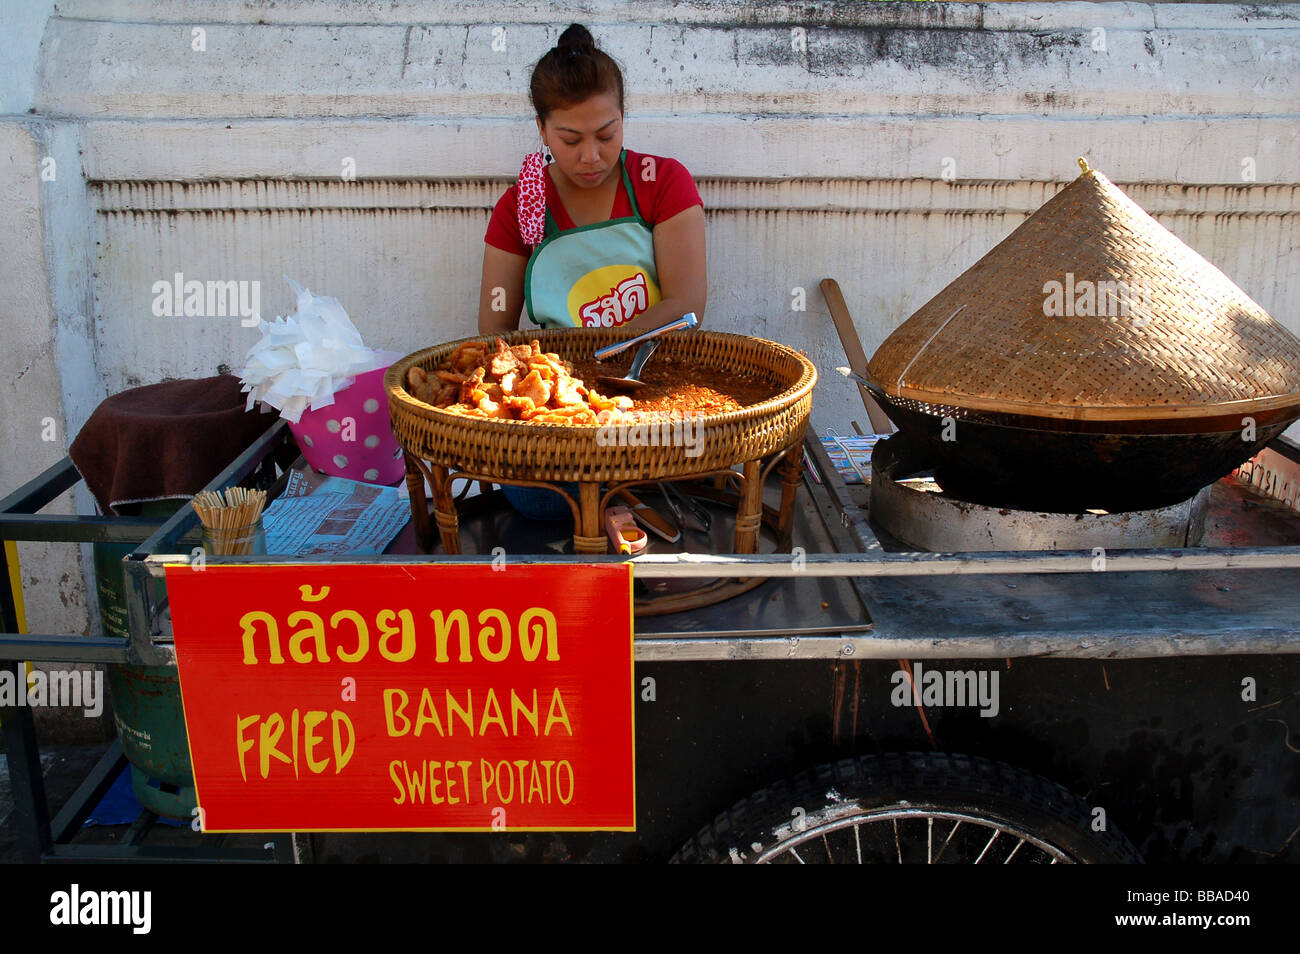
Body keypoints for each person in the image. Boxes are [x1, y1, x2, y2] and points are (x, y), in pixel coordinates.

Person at [478, 24, 707, 334]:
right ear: (542, 130)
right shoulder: (522, 206)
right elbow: (494, 331)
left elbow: (685, 307)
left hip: (655, 369)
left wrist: (601, 356)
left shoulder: (660, 182)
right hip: (560, 378)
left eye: (606, 135)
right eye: (571, 140)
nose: (591, 156)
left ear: (623, 116)